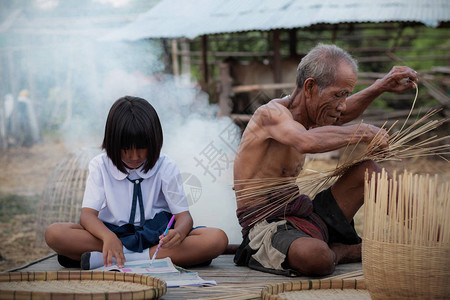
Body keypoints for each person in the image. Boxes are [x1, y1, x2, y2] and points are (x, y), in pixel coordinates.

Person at [233, 44, 418, 276]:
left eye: (346, 95)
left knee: (368, 171)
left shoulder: (313, 113)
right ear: (310, 87)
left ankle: (435, 239)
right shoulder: (271, 115)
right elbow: (305, 141)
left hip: (303, 215)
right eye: (338, 95)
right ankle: (341, 252)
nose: (341, 104)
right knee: (317, 257)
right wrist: (364, 132)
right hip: (266, 228)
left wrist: (381, 86)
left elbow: (344, 113)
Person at [45, 96, 228, 270]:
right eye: (125, 149)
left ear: (155, 142)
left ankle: (113, 259)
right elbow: (87, 216)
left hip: (157, 240)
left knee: (216, 239)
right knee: (55, 234)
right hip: (111, 236)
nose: (134, 157)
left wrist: (178, 233)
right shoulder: (99, 165)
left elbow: (184, 217)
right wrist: (108, 237)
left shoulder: (166, 166)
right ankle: (140, 257)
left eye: (141, 148)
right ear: (112, 142)